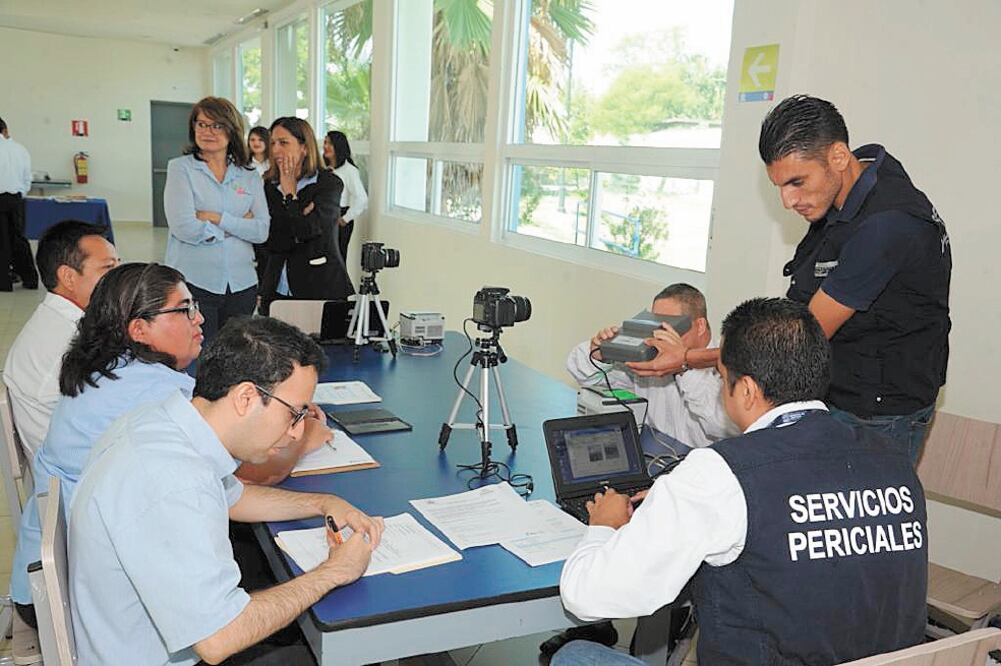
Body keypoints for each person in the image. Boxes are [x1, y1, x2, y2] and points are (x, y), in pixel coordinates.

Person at [553, 298, 928, 666]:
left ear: (746, 390)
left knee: (574, 656)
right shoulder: (894, 461)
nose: (720, 387)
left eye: (721, 377)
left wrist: (603, 527)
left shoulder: (721, 474)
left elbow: (586, 596)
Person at [629, 95, 951, 465]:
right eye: (780, 186)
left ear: (839, 157)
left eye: (797, 182)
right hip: (836, 391)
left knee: (848, 518)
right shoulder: (855, 180)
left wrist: (686, 359)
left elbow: (794, 343)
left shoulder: (886, 226)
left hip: (877, 414)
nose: (787, 200)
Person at [69, 315, 385, 665]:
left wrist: (322, 502)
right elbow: (219, 639)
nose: (298, 432)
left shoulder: (161, 423)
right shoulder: (173, 480)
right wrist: (335, 571)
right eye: (293, 415)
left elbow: (234, 497)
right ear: (246, 397)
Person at [567, 283, 737, 451]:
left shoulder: (728, 370)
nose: (659, 335)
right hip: (654, 459)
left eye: (669, 327)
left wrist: (684, 366)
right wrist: (600, 354)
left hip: (700, 470)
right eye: (655, 325)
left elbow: (722, 424)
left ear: (699, 326)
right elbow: (584, 375)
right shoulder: (651, 359)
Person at [2, 221, 119, 460]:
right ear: (68, 277)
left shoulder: (60, 319)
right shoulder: (71, 345)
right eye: (108, 269)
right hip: (75, 480)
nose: (120, 279)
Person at [163, 96, 269, 345]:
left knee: (237, 356)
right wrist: (237, 227)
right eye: (201, 124)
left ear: (231, 130)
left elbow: (262, 230)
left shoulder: (249, 175)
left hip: (242, 283)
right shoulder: (181, 169)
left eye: (216, 125)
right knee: (200, 356)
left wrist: (215, 218)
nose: (207, 132)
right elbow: (183, 227)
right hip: (195, 282)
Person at [259, 117, 353, 315]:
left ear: (304, 147)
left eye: (283, 143)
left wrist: (291, 196)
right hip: (276, 288)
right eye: (273, 143)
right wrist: (299, 218)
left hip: (319, 287)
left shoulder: (329, 183)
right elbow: (269, 240)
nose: (276, 150)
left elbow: (309, 230)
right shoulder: (268, 185)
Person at [0, 115, 38, 290]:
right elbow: (27, 177)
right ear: (5, 130)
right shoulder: (20, 149)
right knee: (19, 240)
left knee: (2, 241)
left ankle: (4, 282)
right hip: (16, 199)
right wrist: (20, 193)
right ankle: (30, 279)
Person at [323, 130, 368, 265]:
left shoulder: (349, 170)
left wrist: (345, 219)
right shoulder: (324, 168)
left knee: (338, 260)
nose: (326, 146)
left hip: (338, 217)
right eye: (325, 142)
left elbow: (362, 198)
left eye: (330, 143)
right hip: (324, 216)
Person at [247, 125, 271, 286]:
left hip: (270, 214)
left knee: (266, 256)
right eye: (252, 139)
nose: (256, 143)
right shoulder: (244, 165)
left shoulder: (273, 165)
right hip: (248, 215)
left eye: (260, 139)